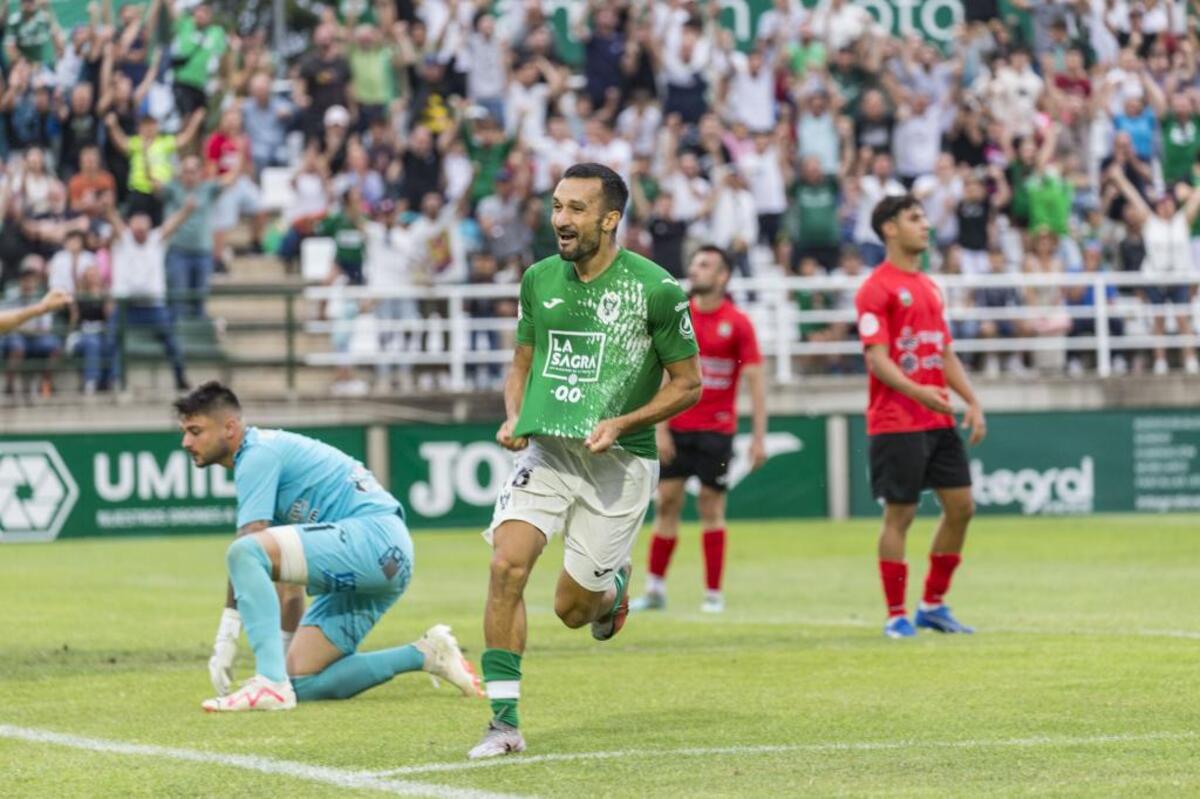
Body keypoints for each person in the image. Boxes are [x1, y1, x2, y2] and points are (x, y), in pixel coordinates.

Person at [472, 163, 701, 759]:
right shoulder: (539, 279)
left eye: (575, 209)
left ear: (610, 218)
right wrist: (515, 417)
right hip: (549, 451)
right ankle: (503, 724)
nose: (560, 221)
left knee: (573, 611)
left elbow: (688, 384)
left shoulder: (656, 289)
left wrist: (623, 422)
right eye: (555, 207)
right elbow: (520, 365)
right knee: (506, 567)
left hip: (619, 461)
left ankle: (612, 591)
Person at [176, 382, 482, 712]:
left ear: (230, 427)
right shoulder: (267, 457)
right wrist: (282, 663)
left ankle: (269, 684)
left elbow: (249, 544)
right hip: (386, 555)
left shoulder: (257, 455)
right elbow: (290, 588)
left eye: (195, 431)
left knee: (244, 551)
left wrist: (227, 635)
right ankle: (426, 653)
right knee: (301, 683)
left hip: (374, 537)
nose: (186, 442)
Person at [853, 195, 986, 639]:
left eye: (925, 217)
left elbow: (942, 350)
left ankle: (932, 604)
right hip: (896, 420)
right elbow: (877, 359)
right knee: (901, 515)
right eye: (915, 218)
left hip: (937, 419)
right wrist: (919, 392)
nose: (925, 225)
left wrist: (972, 400)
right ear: (889, 229)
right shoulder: (877, 287)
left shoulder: (929, 285)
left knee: (962, 507)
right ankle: (896, 614)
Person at [630, 245, 767, 614]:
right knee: (668, 502)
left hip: (717, 431)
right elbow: (658, 372)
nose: (695, 269)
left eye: (705, 265)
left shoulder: (738, 323)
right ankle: (656, 589)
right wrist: (659, 427)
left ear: (722, 277)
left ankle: (713, 594)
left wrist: (757, 438)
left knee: (711, 506)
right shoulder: (679, 316)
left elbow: (755, 381)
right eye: (694, 263)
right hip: (677, 426)